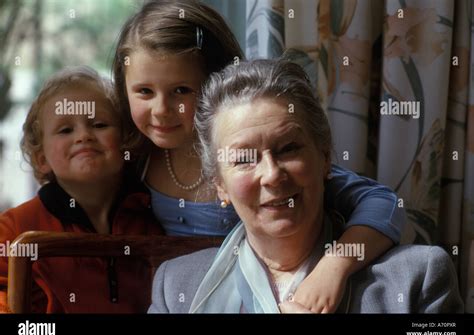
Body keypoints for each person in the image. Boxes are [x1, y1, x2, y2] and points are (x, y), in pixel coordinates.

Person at [113, 0, 406, 313]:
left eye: (181, 90)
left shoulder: (272, 164)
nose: (161, 110)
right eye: (144, 91)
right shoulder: (134, 160)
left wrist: (333, 267)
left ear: (217, 85)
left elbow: (383, 204)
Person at [148, 59, 464, 313]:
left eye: (288, 149)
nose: (272, 174)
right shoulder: (176, 287)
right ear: (220, 186)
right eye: (244, 158)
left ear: (325, 158)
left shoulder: (417, 279)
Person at [0, 66, 162, 313]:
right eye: (66, 130)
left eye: (99, 124)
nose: (84, 135)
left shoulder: (154, 214)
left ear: (125, 140)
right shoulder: (14, 228)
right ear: (42, 158)